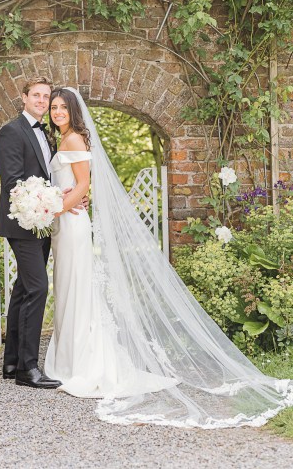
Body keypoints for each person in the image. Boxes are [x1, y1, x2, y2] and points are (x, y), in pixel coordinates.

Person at [45, 87, 293, 428]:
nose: (57, 111)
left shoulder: (74, 140)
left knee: (76, 289)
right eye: (53, 107)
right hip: (65, 224)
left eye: (62, 107)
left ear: (74, 111)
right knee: (70, 289)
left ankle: (81, 364)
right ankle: (69, 360)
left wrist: (53, 209)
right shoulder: (64, 139)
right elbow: (72, 186)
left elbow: (84, 186)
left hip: (70, 225)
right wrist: (54, 203)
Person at [0, 77, 86, 389]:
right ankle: (28, 369)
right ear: (24, 97)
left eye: (46, 97)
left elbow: (51, 178)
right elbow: (13, 184)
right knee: (38, 288)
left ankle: (11, 362)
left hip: (43, 222)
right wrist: (54, 205)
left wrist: (66, 198)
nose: (42, 101)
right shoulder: (11, 131)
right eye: (37, 95)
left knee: (23, 288)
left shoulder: (47, 134)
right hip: (23, 223)